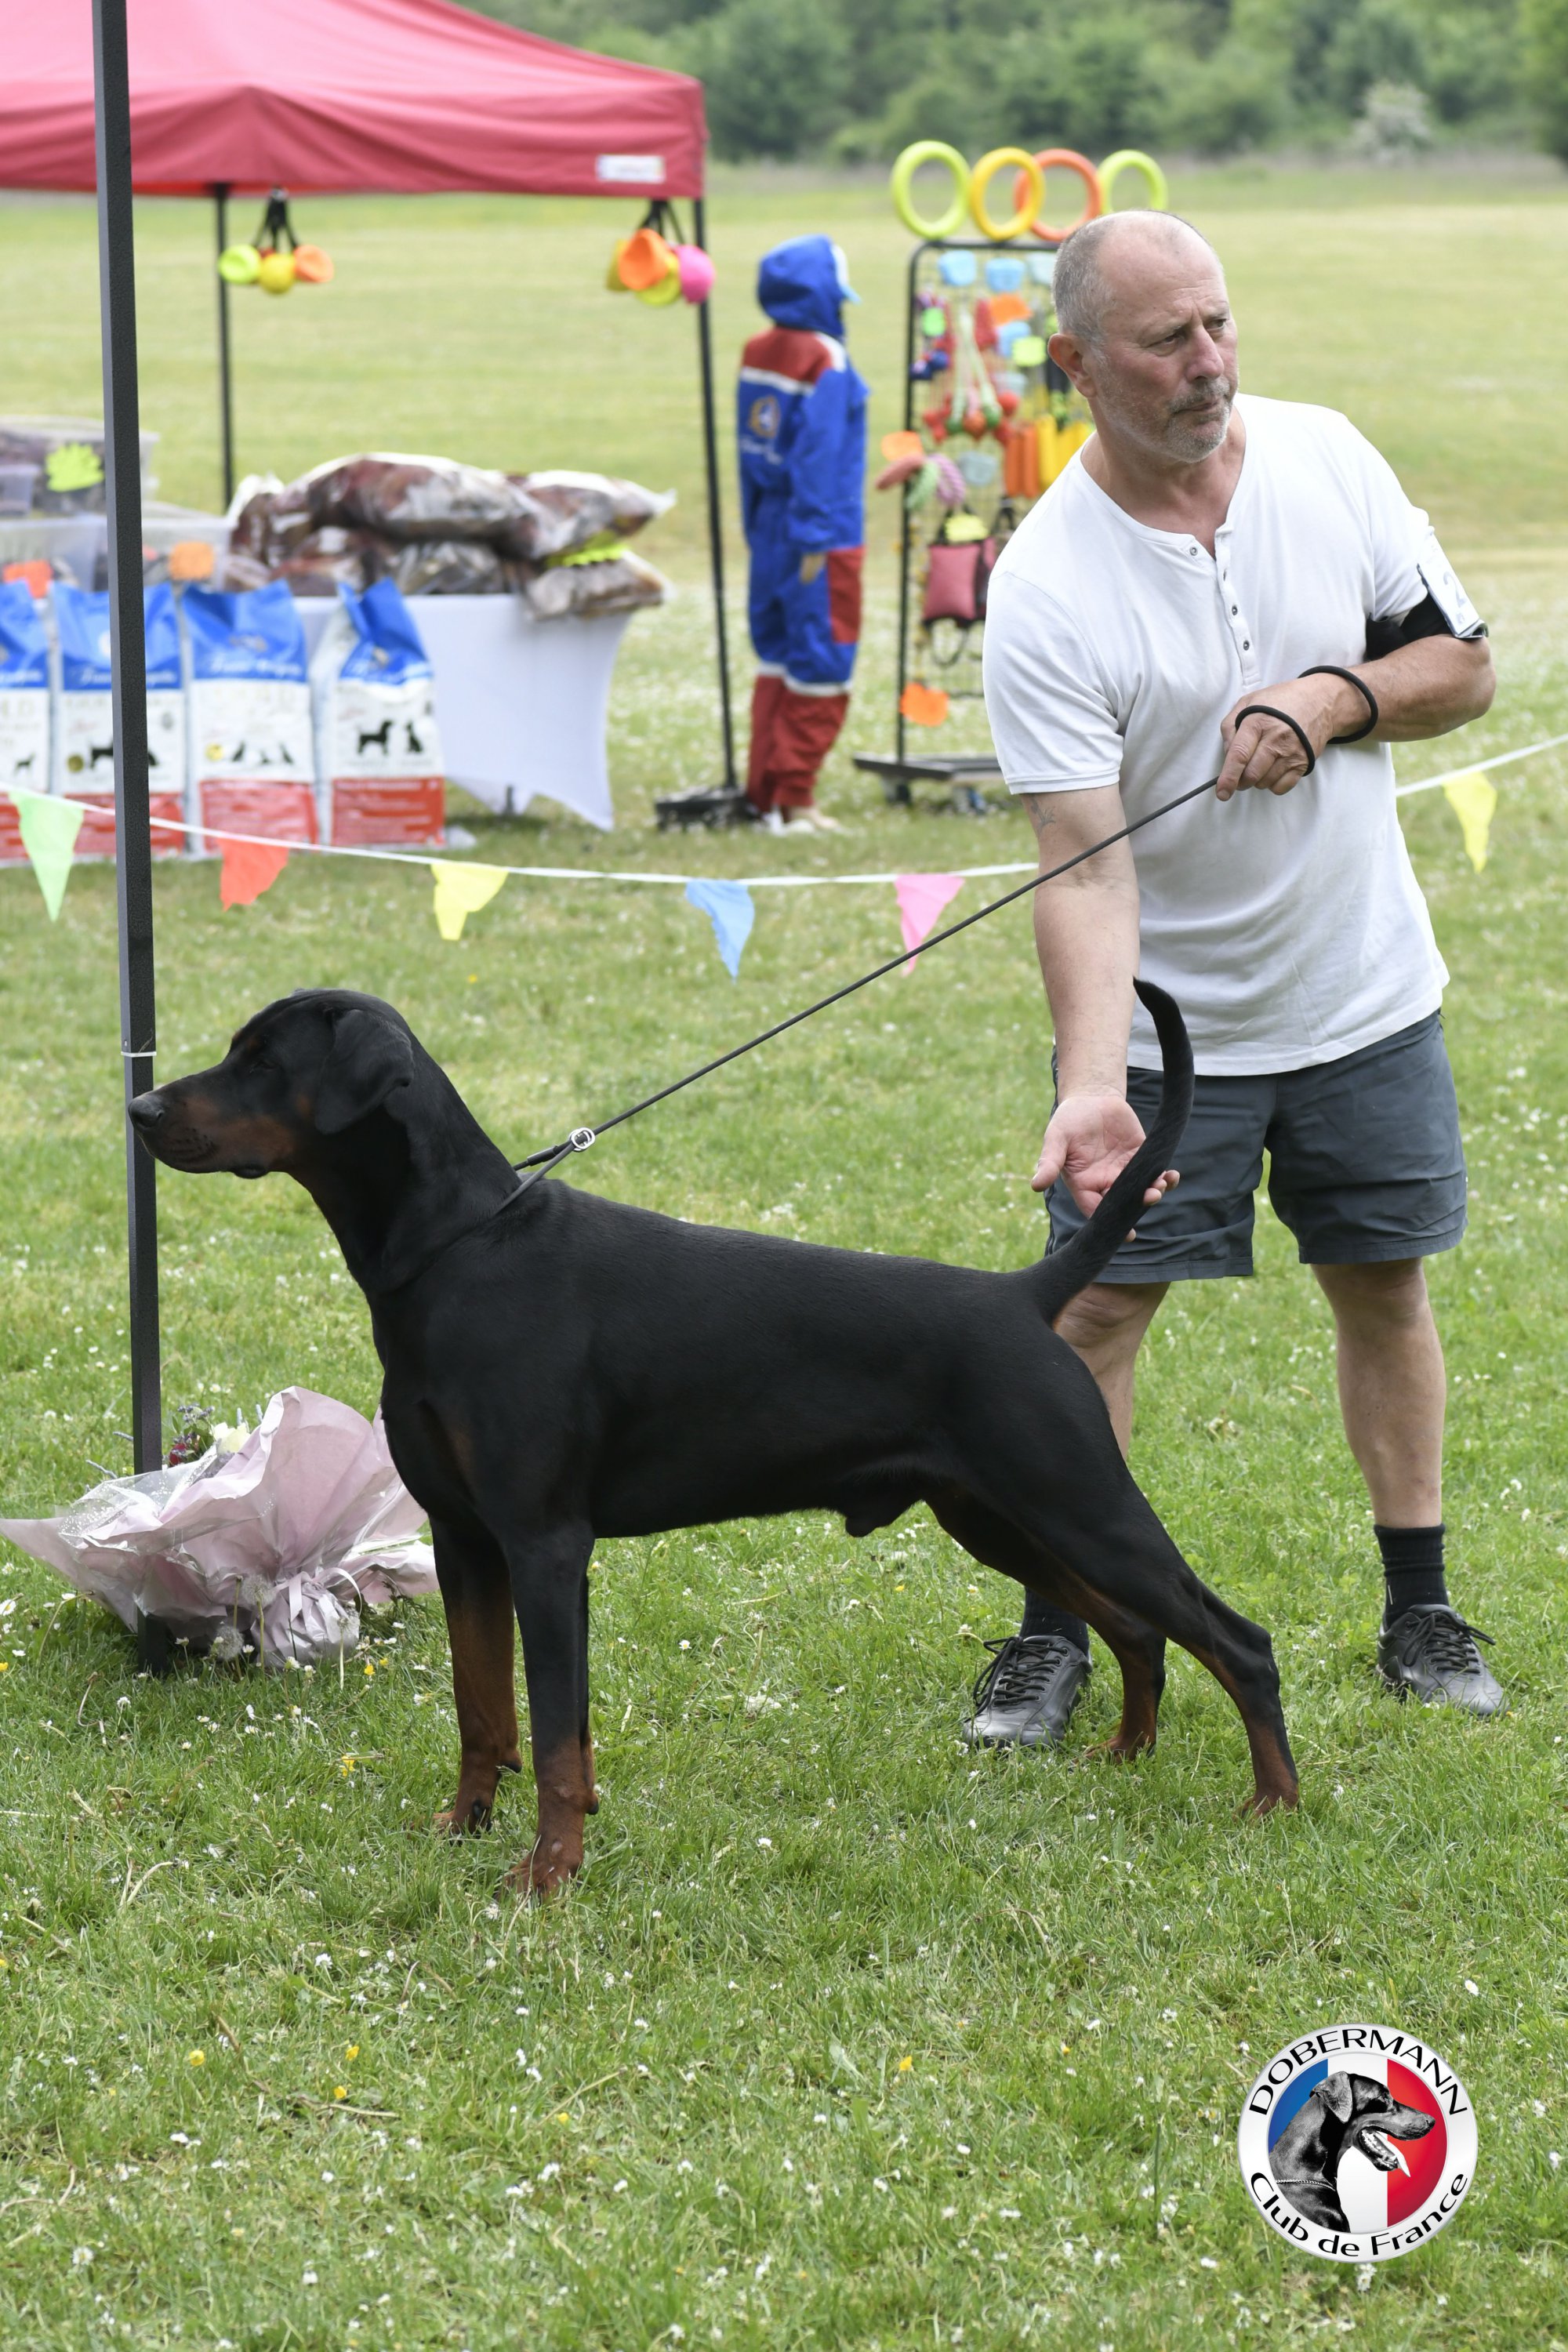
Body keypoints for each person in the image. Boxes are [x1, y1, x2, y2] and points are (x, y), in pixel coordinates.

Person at [964, 209, 1501, 1749]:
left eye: (1218, 323)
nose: (1209, 362)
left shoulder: (1327, 458)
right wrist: (1091, 1084)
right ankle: (1056, 1626)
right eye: (1166, 340)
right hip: (1169, 1033)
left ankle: (1419, 1609)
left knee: (1382, 1283)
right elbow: (1086, 870)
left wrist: (1330, 697)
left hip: (1361, 993)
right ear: (1077, 366)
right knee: (1093, 1317)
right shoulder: (1048, 584)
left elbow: (1461, 666)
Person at [738, 236, 868, 835]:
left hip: (770, 527)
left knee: (776, 658)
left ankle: (763, 793)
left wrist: (758, 528)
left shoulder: (757, 351)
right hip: (821, 533)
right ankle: (795, 799)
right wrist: (816, 538)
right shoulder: (824, 358)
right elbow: (819, 454)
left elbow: (750, 447)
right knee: (822, 658)